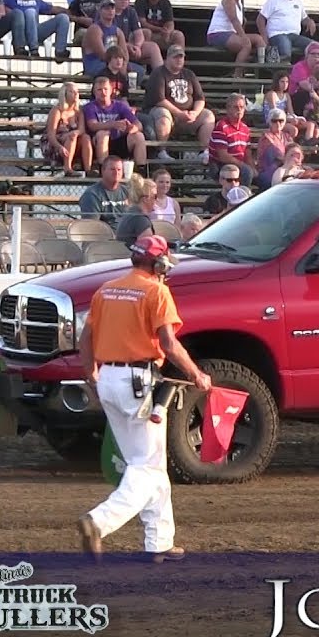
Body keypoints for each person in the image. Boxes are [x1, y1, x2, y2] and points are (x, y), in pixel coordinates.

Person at [76, 232, 212, 564]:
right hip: (139, 382)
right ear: (159, 263)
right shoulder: (157, 292)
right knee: (146, 466)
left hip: (108, 378)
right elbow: (168, 343)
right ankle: (99, 521)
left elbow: (86, 337)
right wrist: (196, 374)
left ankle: (160, 542)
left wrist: (90, 373)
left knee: (149, 463)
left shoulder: (106, 290)